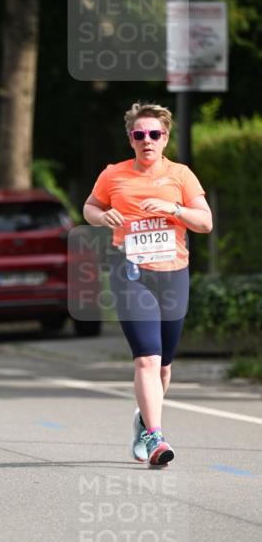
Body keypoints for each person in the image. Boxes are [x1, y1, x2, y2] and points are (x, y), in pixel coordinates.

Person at [83, 101, 212, 466]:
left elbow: (205, 222)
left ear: (165, 138)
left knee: (165, 365)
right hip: (131, 274)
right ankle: (156, 436)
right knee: (147, 359)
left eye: (154, 134)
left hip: (173, 274)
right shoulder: (113, 174)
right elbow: (90, 207)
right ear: (131, 139)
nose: (147, 140)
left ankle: (144, 419)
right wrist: (101, 215)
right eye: (139, 134)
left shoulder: (181, 175)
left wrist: (172, 209)